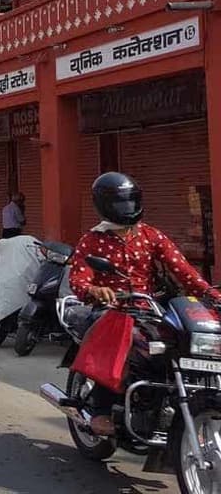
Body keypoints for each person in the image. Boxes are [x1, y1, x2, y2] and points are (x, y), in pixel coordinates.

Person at [68, 172, 217, 435]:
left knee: (181, 343)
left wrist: (211, 294)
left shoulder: (151, 236)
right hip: (110, 310)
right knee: (119, 340)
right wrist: (96, 289)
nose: (126, 209)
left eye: (129, 202)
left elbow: (183, 271)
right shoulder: (92, 240)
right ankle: (101, 408)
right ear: (104, 205)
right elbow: (79, 281)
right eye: (118, 203)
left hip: (149, 309)